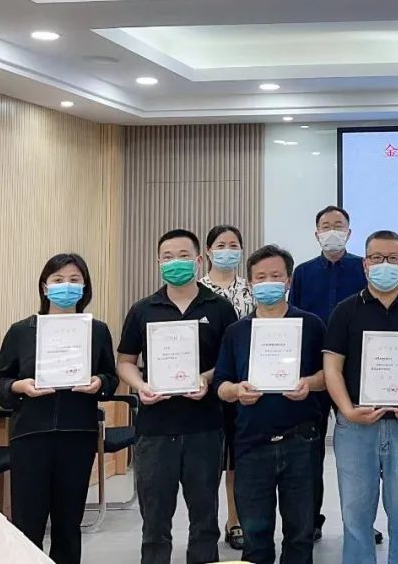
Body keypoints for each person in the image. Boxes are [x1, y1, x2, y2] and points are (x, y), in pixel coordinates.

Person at [323, 230, 398, 564]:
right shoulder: (346, 310)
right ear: (365, 264)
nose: (385, 264)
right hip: (356, 425)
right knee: (355, 517)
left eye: (392, 258)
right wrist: (347, 410)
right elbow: (332, 367)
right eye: (377, 258)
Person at [117, 229, 239, 564]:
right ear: (158, 262)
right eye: (168, 257)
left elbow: (229, 364)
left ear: (198, 260)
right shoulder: (143, 309)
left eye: (183, 256)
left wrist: (206, 378)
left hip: (205, 427)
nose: (176, 263)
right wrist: (140, 385)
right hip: (155, 429)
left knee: (204, 519)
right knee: (154, 522)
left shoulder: (220, 308)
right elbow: (125, 362)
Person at [0, 253, 118, 564]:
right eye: (58, 280)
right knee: (27, 522)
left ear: (84, 287)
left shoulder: (97, 330)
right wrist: (19, 386)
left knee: (68, 523)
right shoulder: (22, 331)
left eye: (74, 280)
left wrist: (99, 382)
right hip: (31, 435)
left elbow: (111, 376)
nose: (66, 286)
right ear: (45, 287)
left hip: (78, 434)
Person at [214, 244, 328, 564]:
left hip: (301, 441)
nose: (268, 283)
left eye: (275, 276)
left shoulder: (312, 325)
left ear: (288, 280)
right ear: (250, 283)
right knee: (255, 538)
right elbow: (220, 384)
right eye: (260, 277)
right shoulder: (237, 332)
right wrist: (237, 390)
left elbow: (329, 375)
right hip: (252, 444)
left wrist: (309, 384)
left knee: (300, 535)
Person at [289, 205, 369, 543]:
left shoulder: (364, 268)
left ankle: (363, 523)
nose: (332, 231)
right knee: (310, 452)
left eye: (339, 225)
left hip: (356, 372)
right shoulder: (303, 273)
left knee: (360, 453)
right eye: (326, 226)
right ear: (316, 233)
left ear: (349, 233)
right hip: (314, 373)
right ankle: (310, 520)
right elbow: (294, 320)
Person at [199, 224, 254, 551]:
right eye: (220, 245)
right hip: (202, 389)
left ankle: (235, 520)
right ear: (208, 251)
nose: (227, 251)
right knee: (207, 462)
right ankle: (204, 525)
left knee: (237, 459)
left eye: (234, 245)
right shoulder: (196, 291)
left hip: (242, 387)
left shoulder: (252, 289)